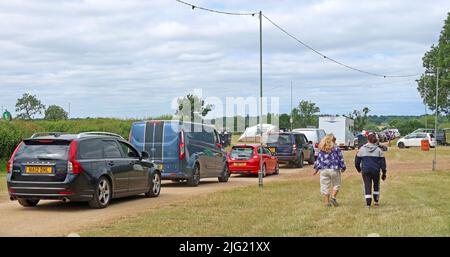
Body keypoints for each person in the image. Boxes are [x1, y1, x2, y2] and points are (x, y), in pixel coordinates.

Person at [355, 132, 387, 208]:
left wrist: (359, 169)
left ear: (367, 139)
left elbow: (357, 162)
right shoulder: (379, 150)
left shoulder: (361, 149)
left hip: (365, 170)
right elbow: (383, 163)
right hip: (376, 171)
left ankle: (368, 204)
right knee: (376, 185)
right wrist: (384, 173)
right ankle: (376, 202)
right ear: (375, 140)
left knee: (367, 185)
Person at [313, 134, 346, 207]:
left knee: (325, 186)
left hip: (324, 170)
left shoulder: (322, 148)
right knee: (336, 184)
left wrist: (316, 169)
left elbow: (318, 160)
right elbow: (340, 158)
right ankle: (333, 197)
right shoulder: (336, 149)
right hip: (334, 169)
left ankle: (327, 203)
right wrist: (343, 167)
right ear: (333, 141)